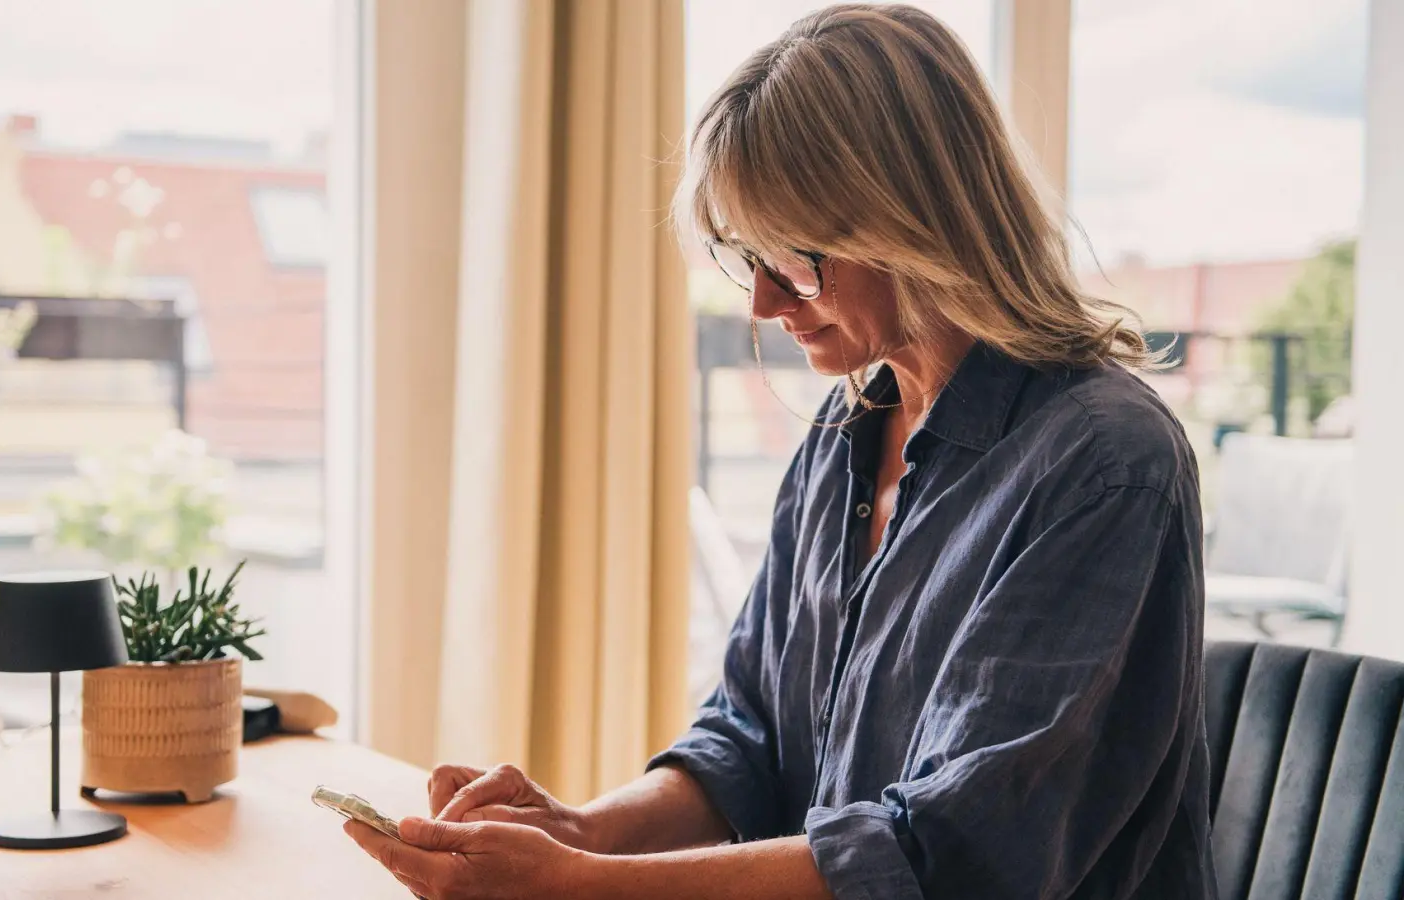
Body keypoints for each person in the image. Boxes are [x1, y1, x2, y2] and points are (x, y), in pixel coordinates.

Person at [344, 4, 1215, 898]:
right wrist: (582, 830)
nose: (762, 304)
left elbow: (955, 855)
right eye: (743, 256)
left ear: (916, 221)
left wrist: (579, 885)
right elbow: (749, 738)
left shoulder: (1106, 466)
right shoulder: (846, 434)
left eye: (797, 261)